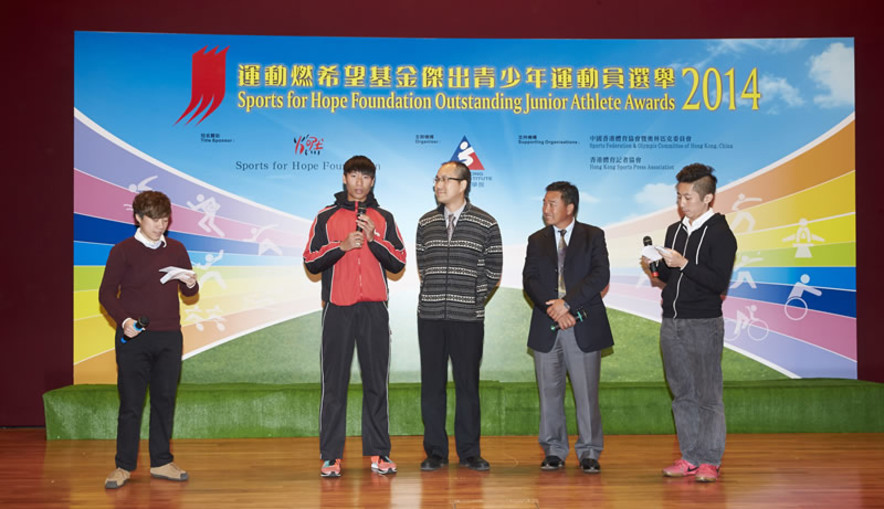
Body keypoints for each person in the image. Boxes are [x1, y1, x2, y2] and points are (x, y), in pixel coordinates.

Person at [303, 155, 407, 478]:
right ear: (344, 179)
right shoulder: (326, 216)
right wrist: (342, 245)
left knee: (377, 383)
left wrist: (374, 241)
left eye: (365, 177)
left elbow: (399, 261)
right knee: (334, 384)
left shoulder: (384, 217)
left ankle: (379, 453)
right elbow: (310, 260)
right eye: (353, 175)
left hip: (375, 310)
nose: (359, 182)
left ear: (373, 181)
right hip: (338, 308)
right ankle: (331, 455)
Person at [99, 190, 199, 489]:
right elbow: (106, 293)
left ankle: (162, 462)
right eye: (154, 219)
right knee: (131, 403)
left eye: (165, 219)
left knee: (164, 400)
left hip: (169, 336)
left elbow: (189, 294)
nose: (160, 225)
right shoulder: (123, 250)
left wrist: (191, 283)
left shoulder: (178, 248)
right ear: (139, 218)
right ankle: (123, 466)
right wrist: (125, 321)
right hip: (135, 337)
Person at [648, 163, 737, 483]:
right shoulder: (675, 230)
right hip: (672, 322)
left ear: (708, 198)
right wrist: (656, 267)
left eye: (687, 197)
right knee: (682, 394)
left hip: (704, 323)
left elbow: (717, 283)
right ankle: (690, 456)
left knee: (707, 396)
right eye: (678, 197)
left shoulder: (721, 233)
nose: (681, 203)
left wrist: (683, 263)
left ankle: (710, 460)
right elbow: (671, 278)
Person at [415, 160, 503, 472]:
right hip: (430, 317)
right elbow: (423, 267)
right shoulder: (425, 223)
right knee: (432, 385)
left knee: (467, 385)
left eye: (446, 179)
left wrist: (472, 297)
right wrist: (436, 296)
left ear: (463, 185)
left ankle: (469, 452)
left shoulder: (486, 223)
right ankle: (435, 452)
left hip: (467, 318)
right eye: (436, 179)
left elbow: (493, 270)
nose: (439, 185)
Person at [523, 181, 613, 474]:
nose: (545, 209)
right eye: (544, 203)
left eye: (552, 204)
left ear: (569, 207)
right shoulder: (536, 240)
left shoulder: (593, 236)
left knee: (586, 393)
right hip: (548, 324)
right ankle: (553, 450)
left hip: (582, 323)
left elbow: (600, 276)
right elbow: (531, 280)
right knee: (549, 392)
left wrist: (568, 305)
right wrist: (555, 310)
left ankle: (589, 451)